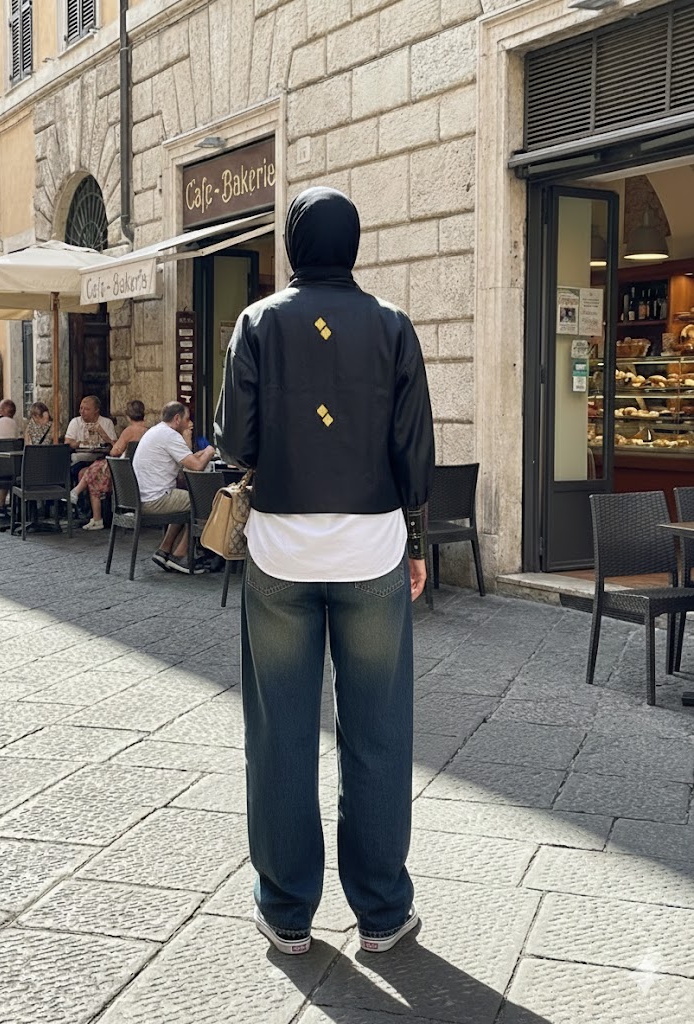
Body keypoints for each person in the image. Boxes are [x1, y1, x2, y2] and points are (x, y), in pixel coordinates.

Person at [214, 186, 434, 957]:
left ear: (292, 242)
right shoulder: (392, 325)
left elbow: (233, 441)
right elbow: (414, 450)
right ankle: (381, 912)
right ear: (354, 242)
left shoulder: (257, 322)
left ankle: (285, 910)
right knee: (379, 732)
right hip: (371, 546)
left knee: (279, 732)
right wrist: (416, 541)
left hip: (281, 547)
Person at [131, 401, 214, 572]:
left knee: (183, 498)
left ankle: (164, 550)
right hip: (155, 499)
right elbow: (197, 466)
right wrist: (209, 451)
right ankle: (180, 556)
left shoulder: (156, 431)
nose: (189, 423)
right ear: (177, 419)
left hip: (141, 498)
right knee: (202, 502)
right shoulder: (170, 435)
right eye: (187, 419)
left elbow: (187, 461)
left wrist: (196, 453)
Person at [71, 399, 149, 531]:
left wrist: (108, 439)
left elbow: (114, 452)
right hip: (138, 469)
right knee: (94, 469)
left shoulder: (129, 431)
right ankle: (93, 514)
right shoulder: (148, 431)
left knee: (93, 472)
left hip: (124, 471)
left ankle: (94, 515)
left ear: (128, 416)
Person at [64, 395, 117, 485]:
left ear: (96, 410)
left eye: (86, 409)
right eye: (81, 408)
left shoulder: (106, 422)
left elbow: (114, 445)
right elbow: (68, 442)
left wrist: (103, 434)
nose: (82, 412)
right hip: (80, 459)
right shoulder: (75, 422)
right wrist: (81, 443)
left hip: (100, 458)